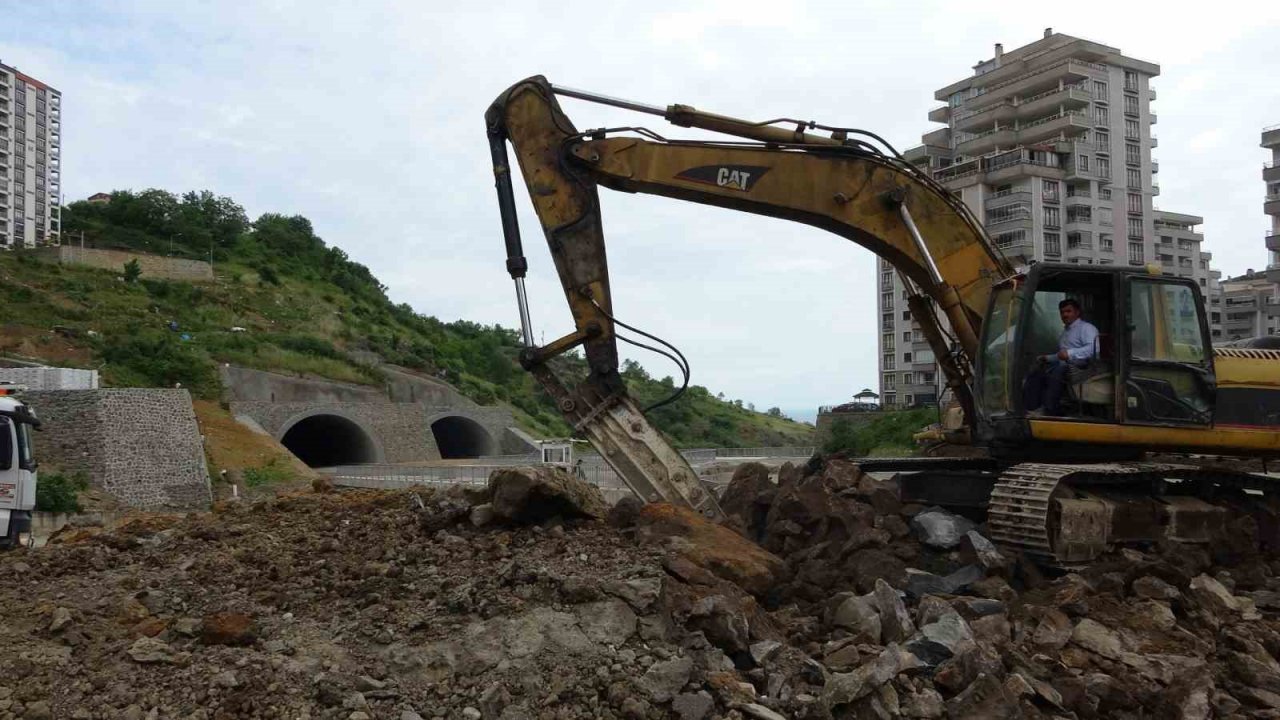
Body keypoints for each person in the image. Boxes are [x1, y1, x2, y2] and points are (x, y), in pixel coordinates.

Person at [1023, 298, 1099, 416]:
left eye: (1068, 311)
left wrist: (1070, 353)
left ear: (1077, 312)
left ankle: (1049, 409)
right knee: (1036, 373)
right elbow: (1061, 355)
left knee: (1058, 371)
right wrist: (1047, 358)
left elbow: (1094, 349)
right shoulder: (1066, 332)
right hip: (1066, 365)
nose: (1065, 315)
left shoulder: (1086, 328)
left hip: (1084, 367)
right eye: (1062, 312)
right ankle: (1032, 407)